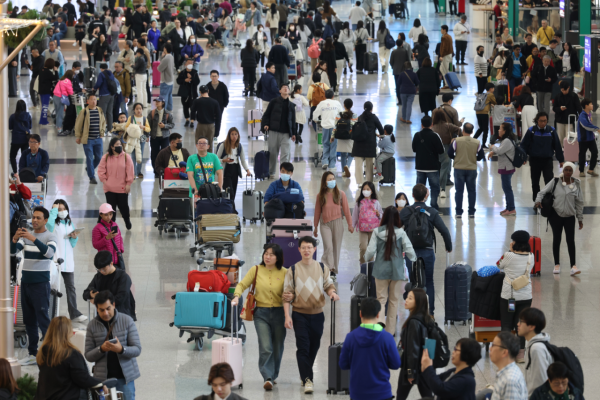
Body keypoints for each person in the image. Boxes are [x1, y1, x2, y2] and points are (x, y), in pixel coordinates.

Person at [282, 235, 339, 394]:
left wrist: (332, 293)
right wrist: (287, 316)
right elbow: (286, 295)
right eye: (303, 247)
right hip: (299, 314)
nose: (307, 250)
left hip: (318, 314)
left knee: (314, 346)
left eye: (310, 247)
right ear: (299, 249)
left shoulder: (322, 267)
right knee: (303, 347)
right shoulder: (292, 270)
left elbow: (328, 284)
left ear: (314, 249)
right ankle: (308, 379)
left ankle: (304, 373)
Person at [231, 244, 287, 390]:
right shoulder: (256, 270)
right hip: (260, 313)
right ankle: (267, 376)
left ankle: (273, 374)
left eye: (271, 255)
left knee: (278, 346)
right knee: (265, 346)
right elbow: (242, 284)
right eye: (266, 254)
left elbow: (292, 291)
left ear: (278, 257)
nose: (267, 257)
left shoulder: (285, 273)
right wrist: (236, 296)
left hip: (279, 313)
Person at [11, 206, 57, 366]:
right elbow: (11, 253)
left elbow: (50, 254)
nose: (35, 220)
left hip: (41, 285)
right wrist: (15, 239)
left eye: (38, 218)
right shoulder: (25, 237)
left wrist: (33, 238)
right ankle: (32, 353)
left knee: (44, 320)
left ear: (46, 220)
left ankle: (50, 355)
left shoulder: (50, 236)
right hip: (26, 284)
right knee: (29, 321)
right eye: (34, 217)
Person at [400, 184, 452, 315]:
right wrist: (448, 246)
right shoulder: (432, 212)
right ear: (426, 196)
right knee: (429, 281)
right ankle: (431, 312)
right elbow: (444, 231)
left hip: (410, 251)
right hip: (427, 251)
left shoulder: (406, 211)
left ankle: (413, 309)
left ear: (412, 195)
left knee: (413, 281)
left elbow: (395, 229)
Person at [365, 206, 416, 334]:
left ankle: (379, 328)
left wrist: (365, 258)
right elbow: (409, 250)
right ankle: (390, 332)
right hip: (397, 272)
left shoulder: (377, 232)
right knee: (393, 302)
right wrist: (414, 258)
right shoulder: (401, 233)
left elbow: (370, 251)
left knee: (381, 299)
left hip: (380, 271)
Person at [339, 297, 401, 400]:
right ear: (378, 314)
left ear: (360, 314)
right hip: (382, 393)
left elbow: (343, 364)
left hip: (357, 394)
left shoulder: (350, 337)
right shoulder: (387, 338)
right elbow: (396, 364)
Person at [85, 290, 141, 400]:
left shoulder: (127, 320)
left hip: (125, 379)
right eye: (101, 310)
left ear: (114, 305)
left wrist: (121, 349)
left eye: (108, 308)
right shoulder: (92, 326)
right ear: (97, 308)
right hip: (102, 381)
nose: (105, 313)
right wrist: (101, 349)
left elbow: (137, 349)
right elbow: (88, 355)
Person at [36, 317, 105, 399]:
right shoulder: (71, 354)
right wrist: (100, 384)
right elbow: (82, 379)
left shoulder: (43, 352)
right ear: (66, 331)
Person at [535, 162, 583, 275]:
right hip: (555, 215)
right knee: (557, 239)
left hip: (570, 216)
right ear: (563, 171)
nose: (568, 172)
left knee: (570, 240)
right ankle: (557, 265)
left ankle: (573, 266)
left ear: (573, 171)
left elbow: (579, 203)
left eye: (570, 170)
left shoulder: (576, 184)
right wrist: (538, 200)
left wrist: (580, 218)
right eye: (566, 170)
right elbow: (542, 192)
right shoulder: (555, 181)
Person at [495, 230, 534, 363]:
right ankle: (520, 355)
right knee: (520, 325)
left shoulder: (508, 255)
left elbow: (498, 265)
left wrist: (510, 251)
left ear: (515, 242)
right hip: (526, 297)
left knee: (506, 324)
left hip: (509, 297)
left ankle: (505, 354)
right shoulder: (531, 256)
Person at [46, 200, 86, 322]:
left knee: (70, 288)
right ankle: (49, 313)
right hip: (55, 260)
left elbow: (72, 244)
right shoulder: (52, 223)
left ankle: (74, 313)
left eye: (63, 209)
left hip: (67, 260)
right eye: (59, 209)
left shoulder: (69, 223)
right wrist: (53, 210)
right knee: (52, 287)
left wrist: (74, 237)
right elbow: (49, 227)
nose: (62, 212)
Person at [396, 288, 433, 400]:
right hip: (425, 366)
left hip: (411, 366)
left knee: (401, 397)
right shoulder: (427, 319)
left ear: (418, 302)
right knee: (428, 396)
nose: (406, 300)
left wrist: (410, 372)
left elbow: (413, 349)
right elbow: (430, 344)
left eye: (410, 298)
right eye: (407, 297)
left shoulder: (413, 322)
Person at [314, 172, 353, 276]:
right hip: (324, 224)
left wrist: (350, 224)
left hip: (337, 223)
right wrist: (315, 227)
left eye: (333, 178)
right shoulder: (320, 196)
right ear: (324, 182)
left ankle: (333, 271)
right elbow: (317, 211)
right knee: (328, 247)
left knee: (336, 247)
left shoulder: (341, 194)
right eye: (329, 179)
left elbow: (347, 210)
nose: (332, 181)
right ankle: (328, 268)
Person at [521, 112, 564, 201]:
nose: (543, 123)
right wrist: (523, 158)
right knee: (535, 183)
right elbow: (524, 146)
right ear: (537, 120)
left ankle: (548, 202)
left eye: (545, 121)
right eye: (541, 121)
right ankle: (537, 202)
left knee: (549, 182)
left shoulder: (551, 131)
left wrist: (561, 160)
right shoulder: (531, 131)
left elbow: (557, 146)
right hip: (534, 160)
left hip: (547, 161)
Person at [448, 123, 484, 218]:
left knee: (459, 191)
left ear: (463, 130)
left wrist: (457, 158)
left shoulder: (456, 141)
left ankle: (458, 212)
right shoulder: (476, 142)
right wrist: (473, 158)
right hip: (471, 169)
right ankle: (471, 212)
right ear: (472, 131)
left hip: (459, 168)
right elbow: (481, 156)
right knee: (471, 191)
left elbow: (450, 153)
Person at [261, 84, 297, 179]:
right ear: (280, 91)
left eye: (287, 88)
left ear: (289, 91)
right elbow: (266, 115)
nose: (286, 88)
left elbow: (293, 121)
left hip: (286, 133)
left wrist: (294, 133)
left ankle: (284, 173)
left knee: (285, 154)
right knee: (273, 153)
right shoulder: (274, 102)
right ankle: (271, 172)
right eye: (283, 88)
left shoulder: (291, 105)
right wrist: (266, 124)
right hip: (274, 131)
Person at [83, 251, 134, 318]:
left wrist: (98, 301)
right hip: (103, 316)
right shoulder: (99, 276)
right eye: (99, 269)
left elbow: (121, 298)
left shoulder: (123, 277)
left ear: (111, 263)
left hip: (120, 314)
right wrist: (91, 294)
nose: (101, 271)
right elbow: (85, 293)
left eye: (104, 269)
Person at [516, 307, 554, 396]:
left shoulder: (537, 348)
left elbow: (541, 381)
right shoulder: (531, 344)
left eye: (521, 322)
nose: (518, 324)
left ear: (532, 327)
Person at [98, 138, 135, 228]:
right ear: (112, 147)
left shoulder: (126, 157)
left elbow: (130, 171)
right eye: (117, 144)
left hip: (122, 188)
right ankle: (112, 225)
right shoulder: (106, 157)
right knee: (111, 209)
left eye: (120, 144)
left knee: (123, 207)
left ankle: (127, 220)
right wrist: (105, 181)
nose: (119, 146)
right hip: (109, 188)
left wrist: (128, 184)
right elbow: (101, 170)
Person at [412, 116, 444, 210]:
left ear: (421, 125)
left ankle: (419, 206)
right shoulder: (435, 135)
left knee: (419, 188)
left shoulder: (417, 135)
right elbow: (441, 150)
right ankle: (433, 206)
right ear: (432, 124)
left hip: (420, 166)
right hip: (432, 167)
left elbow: (414, 149)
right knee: (434, 187)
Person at [216, 128, 252, 210]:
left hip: (235, 170)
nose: (234, 136)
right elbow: (216, 158)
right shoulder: (223, 145)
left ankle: (229, 207)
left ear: (238, 135)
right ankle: (232, 209)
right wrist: (224, 160)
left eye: (236, 134)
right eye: (232, 134)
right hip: (226, 170)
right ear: (229, 135)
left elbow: (243, 160)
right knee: (229, 191)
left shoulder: (239, 146)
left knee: (234, 190)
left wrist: (247, 170)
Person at [486, 332, 528, 400]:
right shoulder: (505, 372)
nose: (490, 348)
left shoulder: (510, 381)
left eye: (493, 345)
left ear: (504, 352)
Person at [74, 94, 106, 184]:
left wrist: (102, 132)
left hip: (98, 139)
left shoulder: (100, 110)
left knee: (99, 157)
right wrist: (78, 136)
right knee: (89, 158)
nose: (94, 101)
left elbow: (103, 122)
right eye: (92, 99)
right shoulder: (84, 112)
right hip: (88, 140)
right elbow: (78, 124)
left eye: (95, 99)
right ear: (88, 101)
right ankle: (91, 177)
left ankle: (89, 169)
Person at [487, 123, 518, 216]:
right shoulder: (506, 140)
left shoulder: (507, 141)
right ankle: (508, 207)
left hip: (506, 167)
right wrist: (493, 151)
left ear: (504, 131)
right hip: (506, 166)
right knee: (506, 188)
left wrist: (492, 146)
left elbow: (500, 150)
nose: (498, 131)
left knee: (507, 188)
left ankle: (511, 208)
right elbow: (502, 150)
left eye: (500, 129)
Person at [353, 101, 383, 185]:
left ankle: (359, 183)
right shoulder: (374, 117)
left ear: (364, 108)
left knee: (358, 165)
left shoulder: (360, 117)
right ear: (371, 109)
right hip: (370, 144)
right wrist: (380, 135)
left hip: (358, 144)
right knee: (369, 165)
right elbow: (381, 129)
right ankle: (369, 182)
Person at [432, 109, 461, 197]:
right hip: (446, 149)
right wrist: (456, 139)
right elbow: (460, 131)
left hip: (434, 151)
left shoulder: (432, 128)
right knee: (444, 170)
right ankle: (443, 189)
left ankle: (435, 188)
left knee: (435, 170)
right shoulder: (449, 126)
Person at [313, 89, 342, 169]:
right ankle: (332, 164)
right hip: (334, 127)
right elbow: (342, 113)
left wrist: (316, 119)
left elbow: (315, 114)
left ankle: (325, 161)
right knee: (333, 145)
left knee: (325, 144)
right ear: (333, 96)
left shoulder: (322, 103)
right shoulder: (336, 103)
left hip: (325, 127)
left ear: (325, 96)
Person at [147, 98, 174, 178]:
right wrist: (146, 136)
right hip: (154, 137)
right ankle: (156, 172)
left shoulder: (168, 114)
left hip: (165, 137)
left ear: (163, 103)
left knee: (165, 154)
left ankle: (164, 170)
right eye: (156, 101)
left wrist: (164, 126)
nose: (157, 103)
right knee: (154, 154)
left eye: (159, 101)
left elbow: (172, 124)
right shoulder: (151, 113)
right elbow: (147, 125)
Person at [92, 203, 125, 268]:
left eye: (111, 214)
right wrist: (107, 238)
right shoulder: (97, 228)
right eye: (106, 215)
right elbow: (95, 245)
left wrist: (121, 250)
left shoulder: (115, 225)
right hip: (106, 262)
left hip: (117, 260)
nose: (109, 217)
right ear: (100, 214)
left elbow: (120, 238)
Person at [191, 86, 222, 153]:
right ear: (208, 91)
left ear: (200, 92)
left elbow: (192, 111)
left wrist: (192, 120)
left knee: (200, 144)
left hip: (201, 126)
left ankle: (201, 160)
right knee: (209, 145)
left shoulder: (197, 101)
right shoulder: (215, 102)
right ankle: (209, 161)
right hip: (211, 126)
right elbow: (219, 117)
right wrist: (217, 131)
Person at [553, 80, 582, 146]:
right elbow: (554, 108)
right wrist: (560, 109)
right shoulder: (558, 96)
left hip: (570, 120)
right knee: (560, 138)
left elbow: (578, 107)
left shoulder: (574, 96)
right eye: (562, 90)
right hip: (560, 119)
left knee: (569, 138)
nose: (563, 92)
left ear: (568, 87)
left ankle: (568, 153)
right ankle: (560, 153)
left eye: (565, 90)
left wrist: (581, 116)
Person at [333, 98, 357, 178]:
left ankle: (344, 171)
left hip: (340, 136)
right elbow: (354, 126)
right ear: (351, 105)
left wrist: (332, 136)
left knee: (343, 153)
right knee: (351, 153)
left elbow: (335, 126)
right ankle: (347, 166)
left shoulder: (339, 114)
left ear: (344, 105)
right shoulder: (354, 115)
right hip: (350, 136)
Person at [578, 98, 600, 177]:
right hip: (584, 138)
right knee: (582, 154)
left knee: (595, 152)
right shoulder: (582, 115)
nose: (592, 105)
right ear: (586, 106)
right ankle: (581, 171)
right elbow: (586, 125)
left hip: (590, 138)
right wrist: (597, 129)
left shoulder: (589, 114)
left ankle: (591, 170)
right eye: (591, 104)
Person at [9, 100, 32, 174]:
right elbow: (30, 126)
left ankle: (15, 173)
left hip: (16, 139)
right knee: (24, 156)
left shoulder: (13, 116)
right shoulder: (28, 115)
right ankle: (23, 172)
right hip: (25, 139)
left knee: (12, 156)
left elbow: (10, 127)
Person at [177, 59, 201, 128]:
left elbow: (197, 82)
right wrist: (185, 80)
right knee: (185, 107)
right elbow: (178, 81)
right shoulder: (182, 72)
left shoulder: (195, 73)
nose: (190, 64)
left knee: (193, 108)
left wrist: (192, 78)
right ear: (185, 64)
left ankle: (192, 121)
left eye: (191, 63)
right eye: (189, 62)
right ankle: (187, 119)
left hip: (192, 94)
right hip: (184, 93)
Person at [94, 64, 116, 130]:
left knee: (102, 113)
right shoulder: (111, 74)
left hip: (104, 95)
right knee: (109, 113)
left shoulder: (101, 74)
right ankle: (110, 129)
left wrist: (94, 88)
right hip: (111, 95)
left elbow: (98, 83)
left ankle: (102, 129)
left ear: (101, 68)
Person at [52, 70, 74, 135]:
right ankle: (59, 130)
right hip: (60, 98)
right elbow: (70, 92)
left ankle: (58, 127)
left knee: (57, 112)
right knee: (60, 114)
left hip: (55, 96)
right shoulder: (68, 81)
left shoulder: (61, 80)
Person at [37, 58, 58, 124]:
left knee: (43, 106)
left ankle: (42, 120)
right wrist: (56, 71)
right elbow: (55, 78)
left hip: (41, 91)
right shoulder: (48, 72)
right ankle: (43, 121)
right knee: (45, 106)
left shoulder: (41, 70)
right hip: (46, 91)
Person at [390, 39, 410, 106]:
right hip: (404, 71)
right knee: (404, 86)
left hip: (396, 72)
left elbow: (391, 62)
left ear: (396, 44)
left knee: (397, 86)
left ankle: (399, 101)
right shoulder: (405, 51)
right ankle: (404, 100)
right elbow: (408, 61)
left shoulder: (394, 52)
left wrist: (394, 67)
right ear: (402, 44)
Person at [157, 43, 175, 113]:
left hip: (165, 81)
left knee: (164, 97)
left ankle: (163, 111)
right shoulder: (171, 56)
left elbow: (159, 68)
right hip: (170, 80)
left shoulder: (166, 58)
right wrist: (162, 57)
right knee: (169, 95)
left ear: (165, 49)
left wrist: (161, 58)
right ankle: (169, 109)